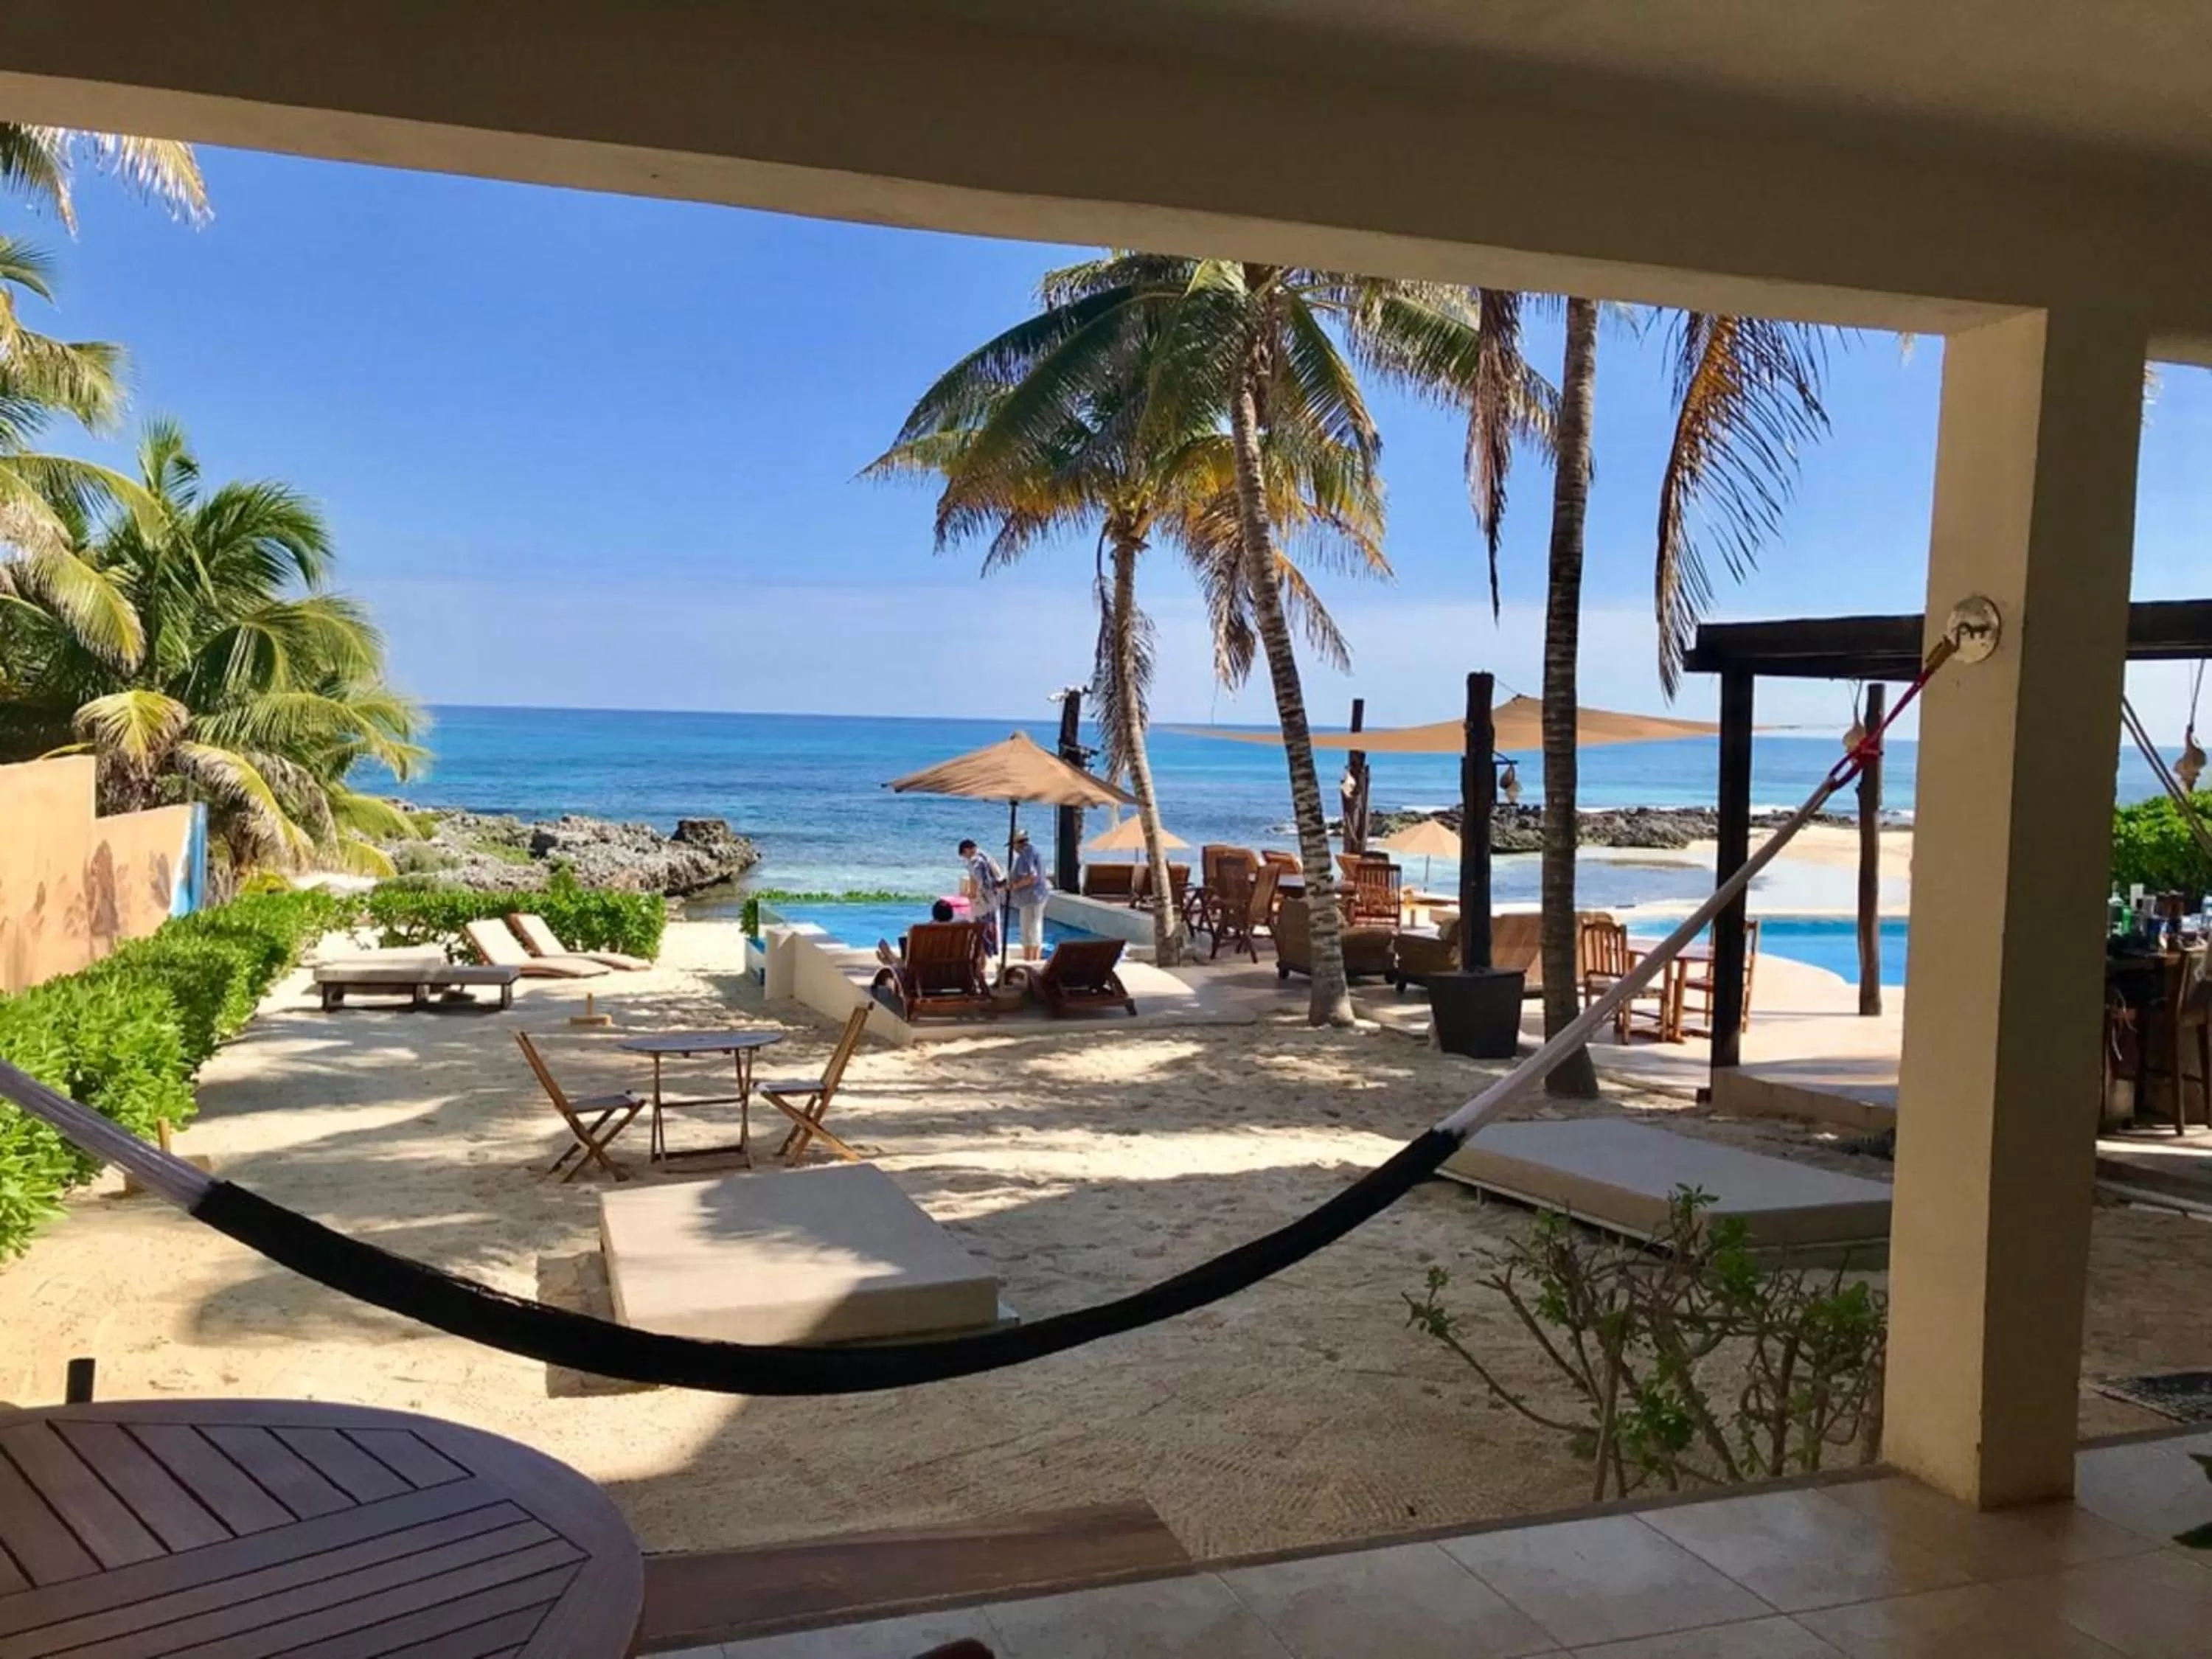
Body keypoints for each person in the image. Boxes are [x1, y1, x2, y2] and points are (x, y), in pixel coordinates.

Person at [1007, 827, 1051, 961]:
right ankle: (1034, 960)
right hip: (1038, 895)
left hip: (1031, 897)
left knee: (1029, 932)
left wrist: (1014, 886)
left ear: (1018, 843)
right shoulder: (1034, 850)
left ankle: (1030, 962)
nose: (1013, 849)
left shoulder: (1025, 855)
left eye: (1012, 845)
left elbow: (1032, 877)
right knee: (1035, 929)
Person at [958, 838, 1004, 956]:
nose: (965, 858)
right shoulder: (986, 856)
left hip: (983, 899)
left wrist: (972, 895)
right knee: (993, 924)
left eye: (964, 855)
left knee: (982, 926)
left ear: (967, 850)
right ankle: (994, 951)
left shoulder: (975, 861)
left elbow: (977, 880)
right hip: (993, 896)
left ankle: (984, 952)